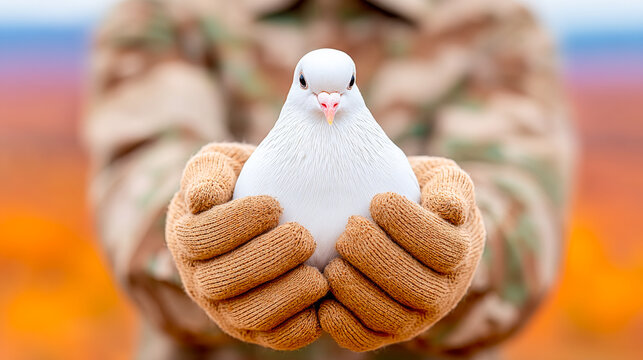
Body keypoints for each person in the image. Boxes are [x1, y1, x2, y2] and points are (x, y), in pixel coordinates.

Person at [84, 0, 575, 358]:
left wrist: (457, 251)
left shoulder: (491, 21)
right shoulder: (168, 12)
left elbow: (524, 201)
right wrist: (194, 240)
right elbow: (138, 175)